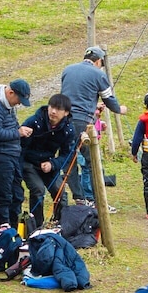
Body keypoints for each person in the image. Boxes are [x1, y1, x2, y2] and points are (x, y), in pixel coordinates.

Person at [59, 46, 124, 204]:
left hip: (64, 121)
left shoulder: (67, 70)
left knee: (69, 161)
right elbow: (109, 99)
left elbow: (74, 96)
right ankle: (97, 200)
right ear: (99, 61)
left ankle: (79, 197)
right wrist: (119, 109)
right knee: (92, 161)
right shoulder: (98, 74)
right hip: (84, 124)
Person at [0, 79, 33, 229]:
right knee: (4, 195)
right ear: (10, 93)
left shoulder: (7, 106)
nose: (18, 104)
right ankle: (3, 228)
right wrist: (18, 132)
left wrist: (19, 130)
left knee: (17, 193)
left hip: (11, 156)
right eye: (18, 99)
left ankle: (15, 227)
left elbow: (10, 127)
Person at [19, 94, 76, 229]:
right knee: (38, 190)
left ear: (66, 113)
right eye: (52, 107)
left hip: (49, 164)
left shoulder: (68, 130)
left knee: (60, 192)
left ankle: (60, 225)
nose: (53, 111)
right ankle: (36, 227)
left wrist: (53, 164)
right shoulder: (34, 122)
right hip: (29, 163)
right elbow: (20, 146)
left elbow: (67, 154)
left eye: (58, 109)